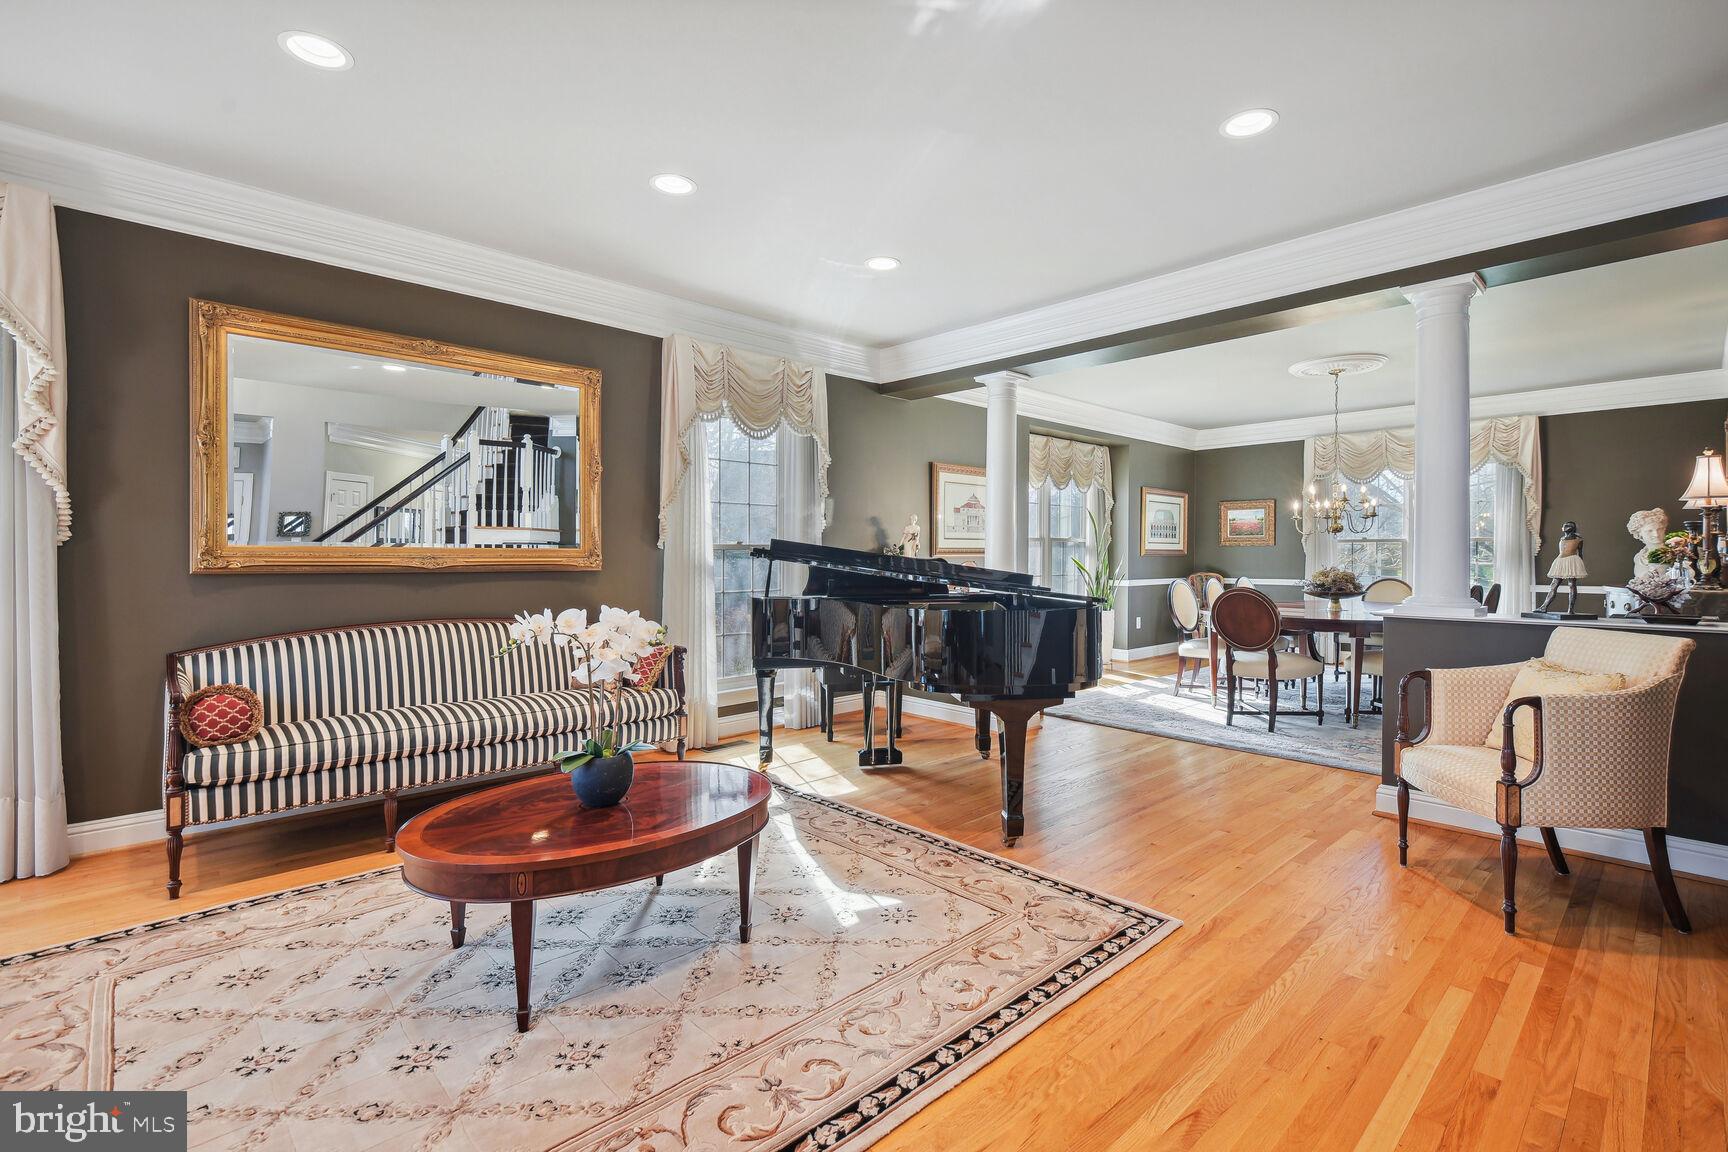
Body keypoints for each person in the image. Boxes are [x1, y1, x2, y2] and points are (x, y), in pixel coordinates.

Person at [1537, 521, 1588, 614]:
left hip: (1572, 561)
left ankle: (1570, 610)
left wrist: (1580, 565)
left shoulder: (1578, 540)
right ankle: (1544, 606)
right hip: (1561, 561)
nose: (1564, 528)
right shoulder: (1562, 538)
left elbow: (1580, 553)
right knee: (1554, 585)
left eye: (1566, 526)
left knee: (1571, 585)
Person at [1626, 508, 1668, 580]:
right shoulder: (1639, 557)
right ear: (1639, 533)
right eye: (1649, 531)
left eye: (1659, 529)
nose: (1656, 534)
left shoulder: (1673, 554)